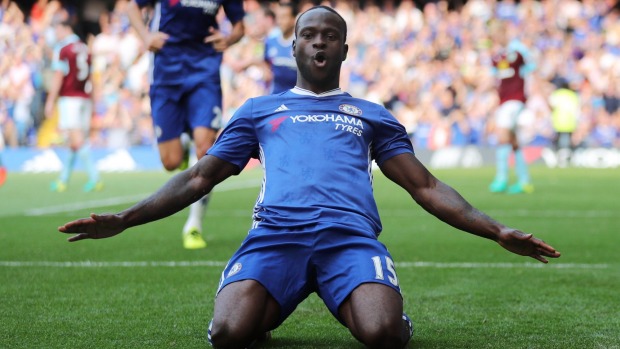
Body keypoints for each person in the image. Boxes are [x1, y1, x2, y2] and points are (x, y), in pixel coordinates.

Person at [58, 6, 561, 349]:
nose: (320, 42)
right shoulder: (259, 110)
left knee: (383, 335)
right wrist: (126, 218)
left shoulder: (372, 114)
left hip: (349, 240)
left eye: (331, 36)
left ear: (344, 51)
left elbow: (425, 187)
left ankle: (362, 298)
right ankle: (269, 304)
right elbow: (196, 179)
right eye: (310, 35)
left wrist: (496, 231)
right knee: (227, 335)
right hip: (275, 238)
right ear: (294, 47)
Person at [126, 0, 245, 249]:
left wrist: (229, 39)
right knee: (170, 162)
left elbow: (239, 27)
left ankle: (194, 225)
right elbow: (131, 7)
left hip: (204, 72)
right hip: (165, 73)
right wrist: (146, 35)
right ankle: (181, 150)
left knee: (205, 149)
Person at [45, 18, 102, 193]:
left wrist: (50, 100)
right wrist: (93, 101)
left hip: (69, 98)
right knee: (73, 141)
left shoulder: (63, 49)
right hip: (84, 97)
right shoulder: (85, 48)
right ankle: (63, 180)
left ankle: (95, 178)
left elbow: (58, 76)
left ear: (65, 28)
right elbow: (91, 78)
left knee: (76, 139)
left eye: (57, 29)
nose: (56, 33)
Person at [488, 24, 536, 194]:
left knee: (502, 137)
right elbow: (495, 78)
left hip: (514, 101)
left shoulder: (516, 54)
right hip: (505, 101)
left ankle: (501, 178)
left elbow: (531, 67)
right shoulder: (497, 57)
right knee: (514, 142)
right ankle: (524, 181)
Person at [262, 2, 298, 94]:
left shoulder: (300, 45)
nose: (280, 21)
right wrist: (266, 72)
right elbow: (265, 61)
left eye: (284, 17)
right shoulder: (271, 41)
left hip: (295, 97)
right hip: (275, 95)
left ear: (293, 19)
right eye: (278, 17)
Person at [549, 79, 580, 167]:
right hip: (570, 122)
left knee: (559, 143)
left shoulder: (556, 94)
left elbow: (551, 107)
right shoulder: (573, 95)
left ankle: (560, 160)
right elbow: (577, 110)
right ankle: (566, 159)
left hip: (558, 122)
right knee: (567, 142)